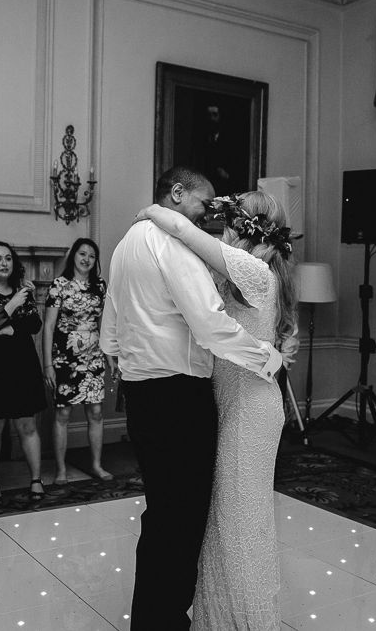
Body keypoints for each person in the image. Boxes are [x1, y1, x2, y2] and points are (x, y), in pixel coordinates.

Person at [99, 166, 284, 631]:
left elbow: (108, 333)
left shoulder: (124, 245)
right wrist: (264, 356)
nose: (210, 213)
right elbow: (209, 323)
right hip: (180, 398)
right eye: (205, 203)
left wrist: (131, 364)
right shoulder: (172, 243)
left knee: (161, 512)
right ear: (177, 194)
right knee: (182, 520)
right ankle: (165, 622)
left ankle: (150, 619)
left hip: (140, 395)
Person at [0, 241, 47, 506]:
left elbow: (34, 325)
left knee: (27, 425)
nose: (4, 263)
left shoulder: (23, 291)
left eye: (8, 258)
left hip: (23, 363)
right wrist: (11, 307)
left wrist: (9, 326)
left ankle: (36, 479)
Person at [43, 238, 114, 485]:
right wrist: (48, 364)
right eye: (82, 254)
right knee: (62, 413)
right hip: (65, 358)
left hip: (93, 357)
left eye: (91, 256)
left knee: (95, 411)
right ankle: (61, 469)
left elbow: (104, 324)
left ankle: (96, 464)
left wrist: (109, 356)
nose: (86, 259)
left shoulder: (100, 286)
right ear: (73, 256)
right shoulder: (59, 285)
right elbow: (49, 326)